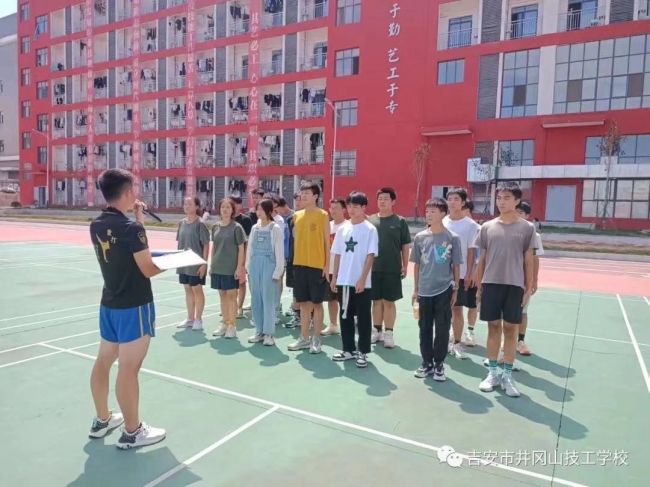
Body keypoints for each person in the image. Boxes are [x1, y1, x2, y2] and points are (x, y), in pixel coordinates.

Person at [89, 168, 166, 449]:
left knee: (103, 361)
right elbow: (147, 268)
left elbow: (124, 246)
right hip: (134, 305)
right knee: (129, 369)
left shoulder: (96, 224)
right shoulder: (132, 229)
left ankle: (103, 419)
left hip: (109, 303)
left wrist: (139, 220)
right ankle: (132, 432)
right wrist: (176, 262)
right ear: (129, 192)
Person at [475, 182, 535, 398]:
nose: (501, 202)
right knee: (493, 328)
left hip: (514, 285)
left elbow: (529, 259)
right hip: (491, 283)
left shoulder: (527, 228)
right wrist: (479, 285)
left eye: (507, 198)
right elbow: (482, 259)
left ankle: (507, 375)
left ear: (517, 201)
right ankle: (492, 373)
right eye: (499, 198)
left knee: (510, 329)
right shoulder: (487, 227)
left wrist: (528, 287)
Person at [411, 198, 461, 381]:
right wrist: (415, 289)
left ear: (443, 214)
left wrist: (455, 289)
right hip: (424, 290)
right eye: (427, 211)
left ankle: (439, 363)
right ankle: (427, 362)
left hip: (444, 289)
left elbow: (456, 265)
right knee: (424, 328)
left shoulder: (452, 238)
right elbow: (416, 265)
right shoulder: (420, 237)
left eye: (433, 211)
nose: (429, 214)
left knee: (442, 328)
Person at [330, 192, 377, 368]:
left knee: (363, 318)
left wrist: (362, 279)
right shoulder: (343, 229)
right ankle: (348, 349)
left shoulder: (370, 229)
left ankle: (362, 352)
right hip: (344, 281)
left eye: (355, 207)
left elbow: (371, 256)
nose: (351, 210)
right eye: (349, 206)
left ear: (364, 208)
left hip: (362, 283)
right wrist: (335, 277)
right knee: (345, 316)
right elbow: (337, 254)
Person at [288, 181, 330, 354]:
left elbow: (327, 242)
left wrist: (327, 265)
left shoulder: (323, 215)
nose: (303, 196)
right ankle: (304, 338)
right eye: (302, 193)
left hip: (317, 266)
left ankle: (316, 339)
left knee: (317, 304)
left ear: (315, 196)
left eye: (307, 193)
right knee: (304, 304)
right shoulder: (296, 216)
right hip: (299, 264)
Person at [368, 188, 411, 348]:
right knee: (376, 302)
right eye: (380, 198)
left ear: (393, 201)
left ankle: (389, 333)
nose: (382, 201)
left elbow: (405, 245)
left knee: (389, 302)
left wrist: (405, 265)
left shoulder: (400, 221)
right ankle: (377, 331)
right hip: (373, 268)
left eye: (386, 198)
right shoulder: (370, 220)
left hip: (392, 268)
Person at [443, 187, 480, 358]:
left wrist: (469, 274)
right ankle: (444, 341)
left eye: (456, 199)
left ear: (463, 202)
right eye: (450, 199)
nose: (452, 202)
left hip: (462, 274)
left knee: (457, 309)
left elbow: (472, 251)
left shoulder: (470, 225)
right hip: (442, 274)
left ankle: (457, 343)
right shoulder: (442, 221)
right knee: (443, 310)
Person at [247, 198, 285, 346]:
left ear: (269, 211)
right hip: (255, 265)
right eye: (257, 209)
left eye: (262, 209)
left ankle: (269, 333)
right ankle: (259, 331)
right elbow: (250, 249)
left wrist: (278, 272)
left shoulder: (275, 228)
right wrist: (248, 268)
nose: (259, 212)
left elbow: (279, 252)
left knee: (268, 300)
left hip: (269, 265)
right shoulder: (254, 228)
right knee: (256, 299)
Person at [210, 199, 247, 339]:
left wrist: (239, 267)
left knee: (231, 296)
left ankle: (232, 325)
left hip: (231, 268)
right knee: (222, 295)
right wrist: (211, 264)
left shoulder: (236, 227)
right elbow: (214, 247)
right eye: (222, 207)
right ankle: (224, 323)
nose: (225, 210)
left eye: (228, 207)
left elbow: (241, 248)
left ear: (232, 210)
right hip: (218, 266)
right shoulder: (215, 226)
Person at [176, 197, 211, 331]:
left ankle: (199, 319)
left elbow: (206, 244)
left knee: (197, 289)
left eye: (190, 204)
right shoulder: (181, 223)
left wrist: (203, 263)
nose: (187, 206)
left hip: (196, 264)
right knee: (187, 289)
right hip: (183, 263)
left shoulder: (200, 224)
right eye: (185, 204)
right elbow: (179, 243)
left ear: (197, 207)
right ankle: (190, 318)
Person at [515, 201, 543, 356]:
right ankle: (506, 341)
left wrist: (534, 280)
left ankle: (520, 341)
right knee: (504, 314)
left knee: (522, 312)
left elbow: (535, 259)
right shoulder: (504, 231)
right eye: (516, 211)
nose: (517, 214)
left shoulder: (534, 235)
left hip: (523, 280)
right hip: (507, 279)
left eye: (520, 212)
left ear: (527, 216)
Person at [322, 197, 348, 336]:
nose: (333, 211)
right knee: (331, 299)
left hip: (345, 270)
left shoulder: (349, 226)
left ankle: (348, 324)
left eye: (336, 208)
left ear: (344, 209)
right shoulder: (328, 226)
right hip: (330, 269)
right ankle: (333, 324)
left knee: (345, 300)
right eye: (331, 208)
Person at [230, 196, 253, 317]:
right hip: (228, 256)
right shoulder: (226, 219)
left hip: (241, 255)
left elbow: (248, 241)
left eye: (237, 203)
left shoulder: (245, 220)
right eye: (232, 203)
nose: (235, 206)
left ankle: (239, 307)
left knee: (241, 282)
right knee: (229, 284)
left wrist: (244, 258)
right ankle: (230, 307)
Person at [461, 199, 479, 345]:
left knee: (472, 305)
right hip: (457, 274)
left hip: (473, 275)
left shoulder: (477, 229)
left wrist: (475, 273)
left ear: (468, 211)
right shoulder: (451, 225)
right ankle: (454, 331)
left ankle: (470, 331)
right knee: (455, 305)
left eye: (463, 209)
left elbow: (480, 255)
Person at [284, 192, 302, 329]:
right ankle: (297, 315)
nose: (298, 203)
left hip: (307, 260)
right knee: (295, 289)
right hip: (293, 259)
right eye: (296, 201)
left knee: (306, 291)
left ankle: (309, 316)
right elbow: (290, 238)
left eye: (300, 200)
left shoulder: (317, 217)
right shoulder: (291, 219)